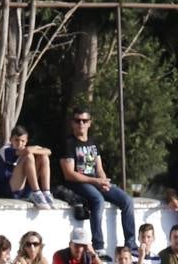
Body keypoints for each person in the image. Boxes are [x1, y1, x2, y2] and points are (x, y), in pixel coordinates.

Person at [58, 107, 136, 254]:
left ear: (89, 123)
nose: (81, 123)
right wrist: (96, 182)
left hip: (95, 182)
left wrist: (104, 181)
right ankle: (98, 245)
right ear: (72, 123)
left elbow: (98, 167)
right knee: (97, 199)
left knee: (127, 200)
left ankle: (131, 244)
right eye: (77, 120)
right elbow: (69, 173)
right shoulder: (68, 144)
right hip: (78, 183)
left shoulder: (93, 142)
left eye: (84, 120)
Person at [0, 125, 55, 208]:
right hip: (10, 190)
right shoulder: (5, 149)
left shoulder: (26, 149)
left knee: (44, 157)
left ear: (26, 141)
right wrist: (36, 148)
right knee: (28, 156)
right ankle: (36, 192)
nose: (19, 144)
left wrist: (37, 149)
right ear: (11, 139)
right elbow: (27, 151)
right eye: (16, 140)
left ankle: (46, 192)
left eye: (22, 141)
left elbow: (49, 152)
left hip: (25, 189)